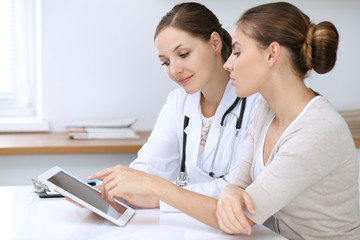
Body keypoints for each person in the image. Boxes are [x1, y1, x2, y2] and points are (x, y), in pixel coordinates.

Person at [88, 2, 260, 212]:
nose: (174, 70)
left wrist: (162, 198)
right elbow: (148, 168)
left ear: (215, 43)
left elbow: (239, 189)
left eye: (184, 54)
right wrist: (110, 189)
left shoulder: (256, 102)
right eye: (166, 62)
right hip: (192, 225)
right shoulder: (178, 102)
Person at [214, 2, 360, 239]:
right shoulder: (266, 109)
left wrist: (154, 187)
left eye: (238, 52)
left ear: (272, 53)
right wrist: (230, 190)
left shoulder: (316, 131)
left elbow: (242, 216)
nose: (227, 63)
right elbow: (239, 185)